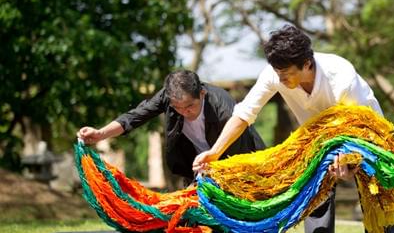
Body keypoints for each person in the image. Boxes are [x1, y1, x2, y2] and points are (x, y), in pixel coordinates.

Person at [192, 24, 394, 233]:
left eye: (286, 73)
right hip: (317, 141)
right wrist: (215, 152)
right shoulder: (275, 73)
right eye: (277, 72)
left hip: (365, 137)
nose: (280, 78)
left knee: (378, 205)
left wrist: (348, 161)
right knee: (312, 191)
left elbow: (356, 129)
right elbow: (244, 114)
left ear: (307, 64)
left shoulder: (341, 76)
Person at [77, 70, 265, 187]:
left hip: (237, 159)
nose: (184, 112)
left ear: (202, 93)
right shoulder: (168, 97)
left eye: (190, 106)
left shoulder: (223, 108)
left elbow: (237, 153)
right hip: (196, 164)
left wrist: (213, 170)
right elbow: (134, 117)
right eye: (178, 108)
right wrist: (101, 133)